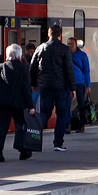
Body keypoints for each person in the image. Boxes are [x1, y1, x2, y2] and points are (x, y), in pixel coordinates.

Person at [30, 23, 76, 152]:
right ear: (60, 35)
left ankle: (33, 140)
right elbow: (69, 70)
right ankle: (58, 143)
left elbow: (32, 68)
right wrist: (72, 88)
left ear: (48, 34)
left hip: (45, 86)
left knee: (44, 113)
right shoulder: (64, 49)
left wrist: (34, 84)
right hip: (61, 87)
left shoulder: (40, 48)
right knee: (62, 113)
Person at [0, 44, 35, 161]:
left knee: (2, 125)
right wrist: (30, 106)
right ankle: (22, 150)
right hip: (18, 102)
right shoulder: (23, 68)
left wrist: (0, 87)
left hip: (2, 101)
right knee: (20, 124)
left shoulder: (2, 66)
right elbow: (26, 89)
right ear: (19, 55)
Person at [67, 37, 91, 133]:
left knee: (81, 104)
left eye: (72, 43)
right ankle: (67, 125)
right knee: (67, 104)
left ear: (76, 44)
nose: (70, 46)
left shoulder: (82, 55)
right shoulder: (66, 54)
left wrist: (88, 85)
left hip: (80, 83)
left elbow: (86, 70)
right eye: (68, 43)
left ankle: (81, 124)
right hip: (68, 83)